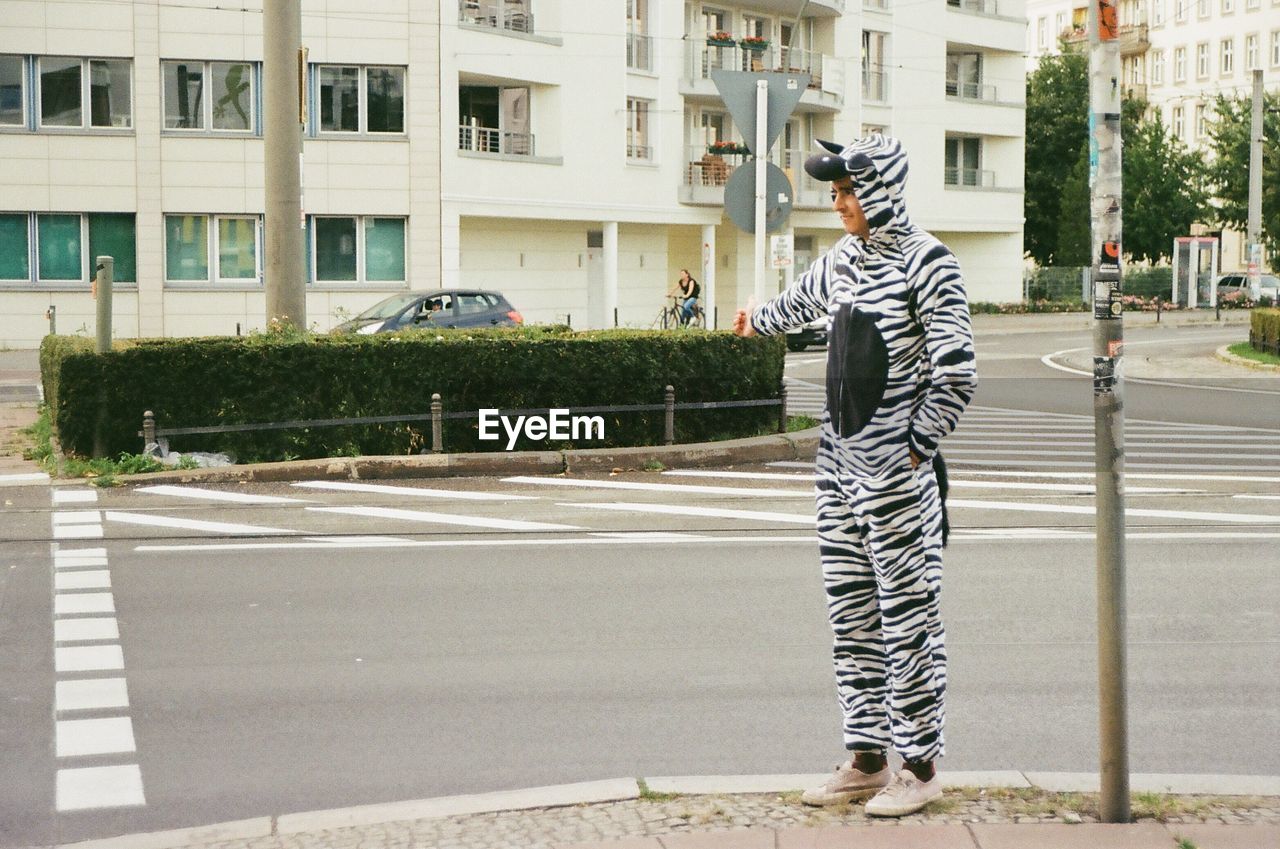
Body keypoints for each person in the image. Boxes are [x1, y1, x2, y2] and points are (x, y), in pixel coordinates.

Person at [732, 135, 976, 818]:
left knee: (908, 617)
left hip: (896, 480)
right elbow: (798, 303)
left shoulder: (930, 264)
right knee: (852, 615)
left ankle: (920, 765)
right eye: (835, 193)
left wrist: (915, 445)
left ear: (884, 190)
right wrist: (757, 321)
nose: (839, 203)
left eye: (849, 192)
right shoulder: (842, 260)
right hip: (837, 471)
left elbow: (958, 371)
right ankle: (867, 757)